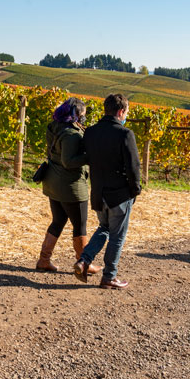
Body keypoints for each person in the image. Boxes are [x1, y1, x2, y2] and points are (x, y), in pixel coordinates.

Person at [73, 94, 141, 289]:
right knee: (117, 237)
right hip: (119, 194)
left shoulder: (90, 132)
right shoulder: (125, 134)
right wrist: (135, 190)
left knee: (104, 228)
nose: (126, 116)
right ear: (120, 112)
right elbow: (133, 167)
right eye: (126, 112)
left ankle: (84, 260)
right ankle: (109, 276)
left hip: (98, 193)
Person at [35, 97, 101, 276]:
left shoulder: (54, 127)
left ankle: (44, 260)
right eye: (83, 115)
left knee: (58, 221)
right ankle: (83, 263)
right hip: (71, 187)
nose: (84, 118)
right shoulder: (71, 134)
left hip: (53, 183)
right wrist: (90, 156)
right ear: (76, 115)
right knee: (80, 226)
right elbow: (68, 161)